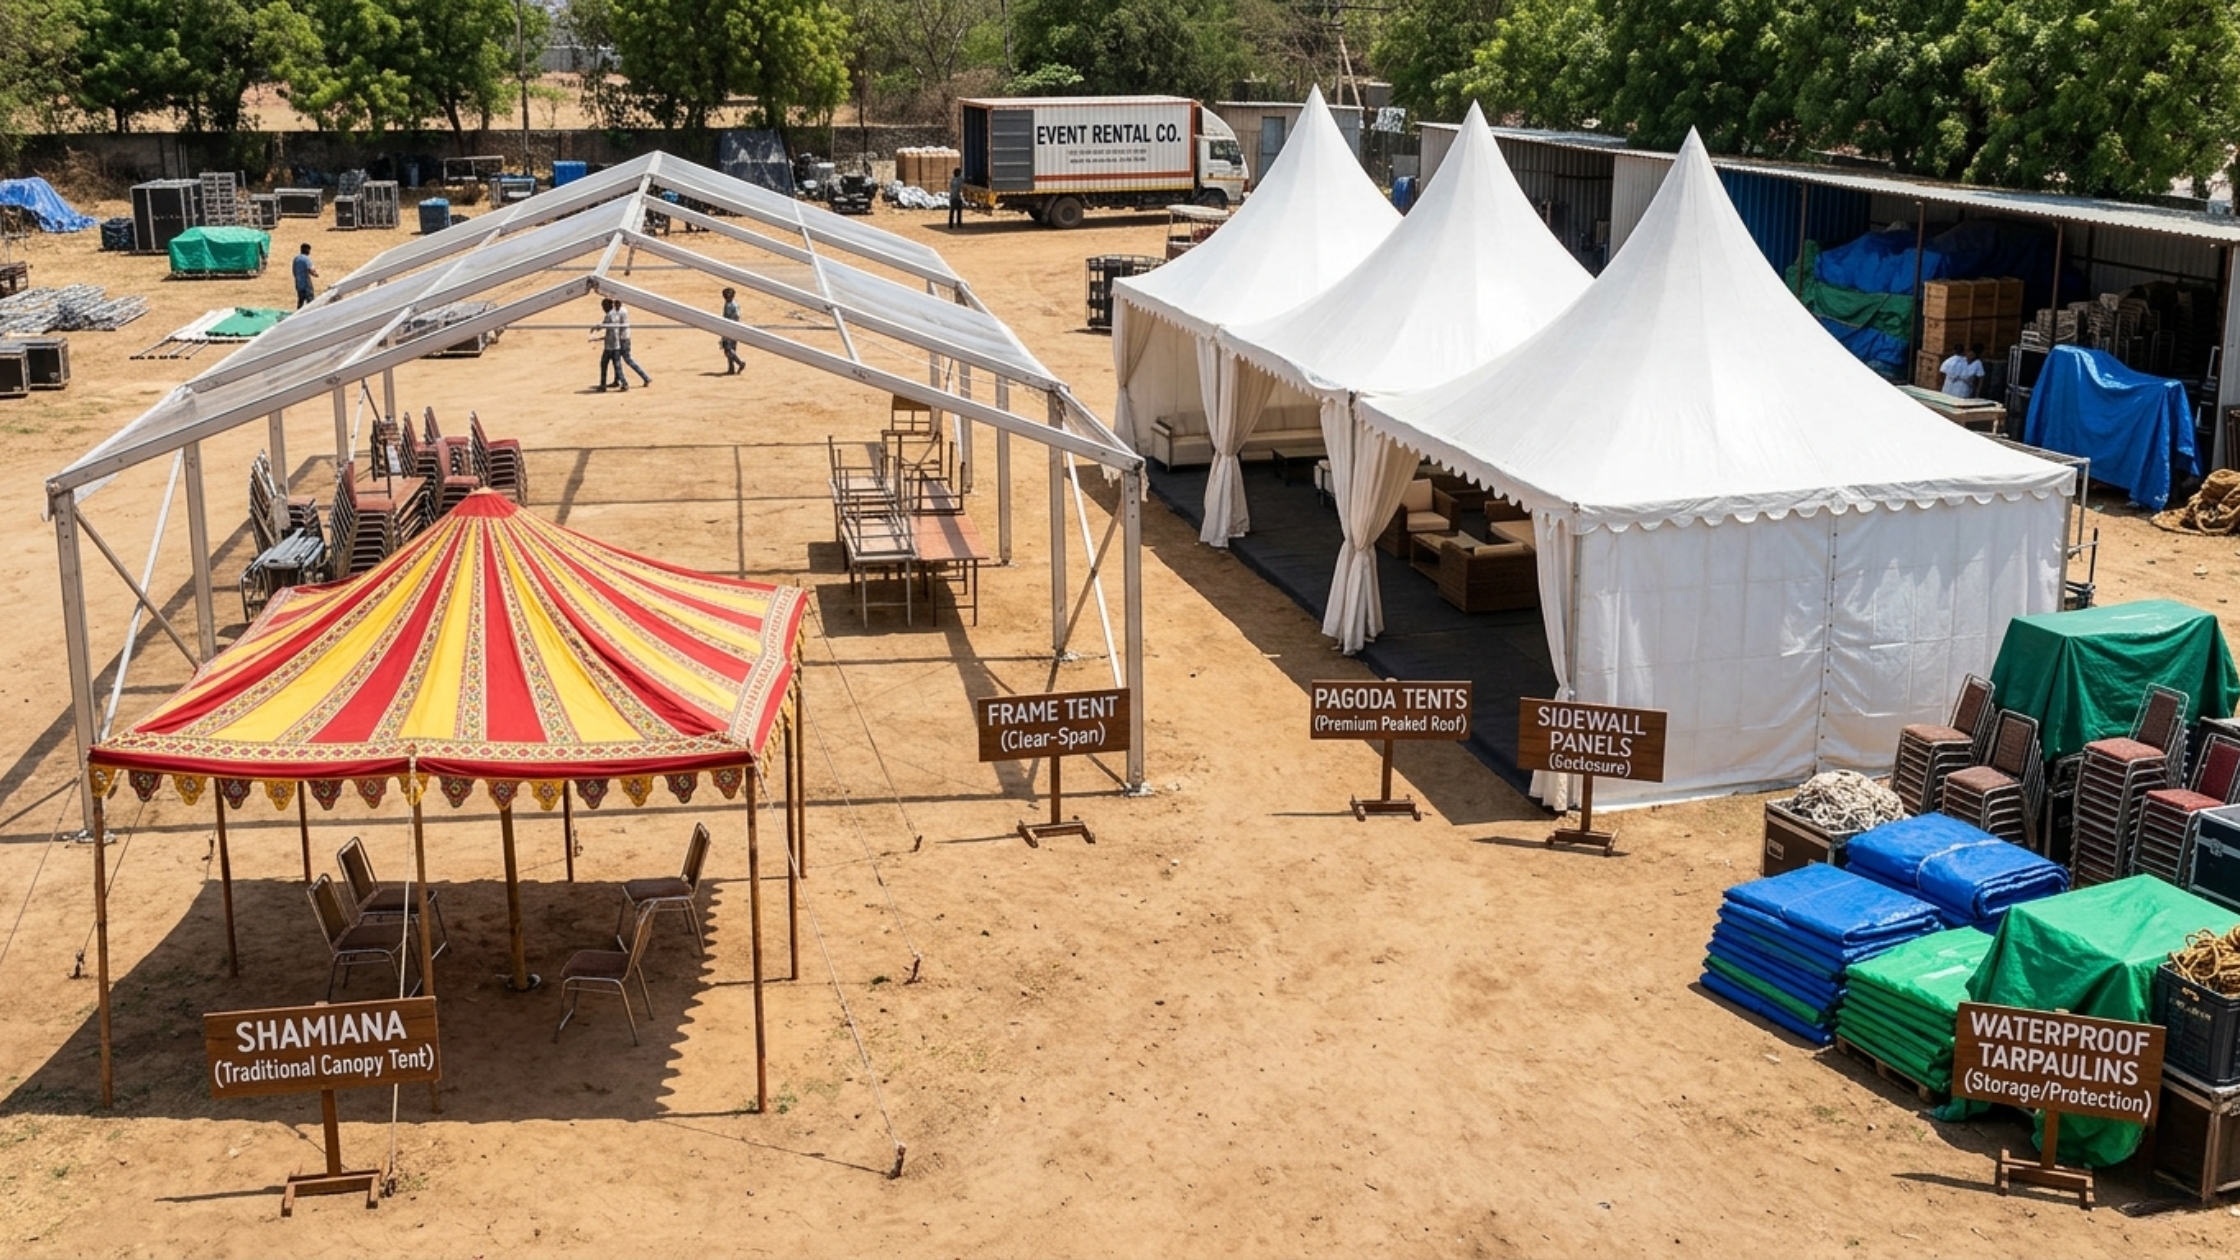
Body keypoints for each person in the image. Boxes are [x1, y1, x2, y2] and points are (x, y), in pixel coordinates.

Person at [612, 300, 652, 389]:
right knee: (619, 359)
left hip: (622, 339)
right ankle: (617, 380)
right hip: (625, 338)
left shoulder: (621, 312)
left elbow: (620, 327)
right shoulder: (621, 310)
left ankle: (644, 377)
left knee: (622, 360)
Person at [589, 298, 622, 390]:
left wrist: (596, 334)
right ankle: (618, 381)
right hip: (616, 344)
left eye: (604, 306)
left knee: (604, 364)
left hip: (610, 346)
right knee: (616, 365)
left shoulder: (609, 315)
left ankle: (603, 385)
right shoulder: (615, 313)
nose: (603, 308)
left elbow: (604, 326)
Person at [719, 287, 745, 374]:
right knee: (732, 349)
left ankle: (740, 363)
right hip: (734, 328)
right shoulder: (733, 304)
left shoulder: (731, 305)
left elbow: (736, 316)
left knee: (727, 350)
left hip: (729, 329)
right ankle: (731, 368)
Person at [292, 243, 318, 308]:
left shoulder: (296, 258)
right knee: (310, 301)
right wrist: (315, 274)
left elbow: (294, 270)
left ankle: (298, 314)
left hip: (298, 283)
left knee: (300, 300)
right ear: (307, 250)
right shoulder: (306, 259)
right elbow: (310, 269)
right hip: (306, 283)